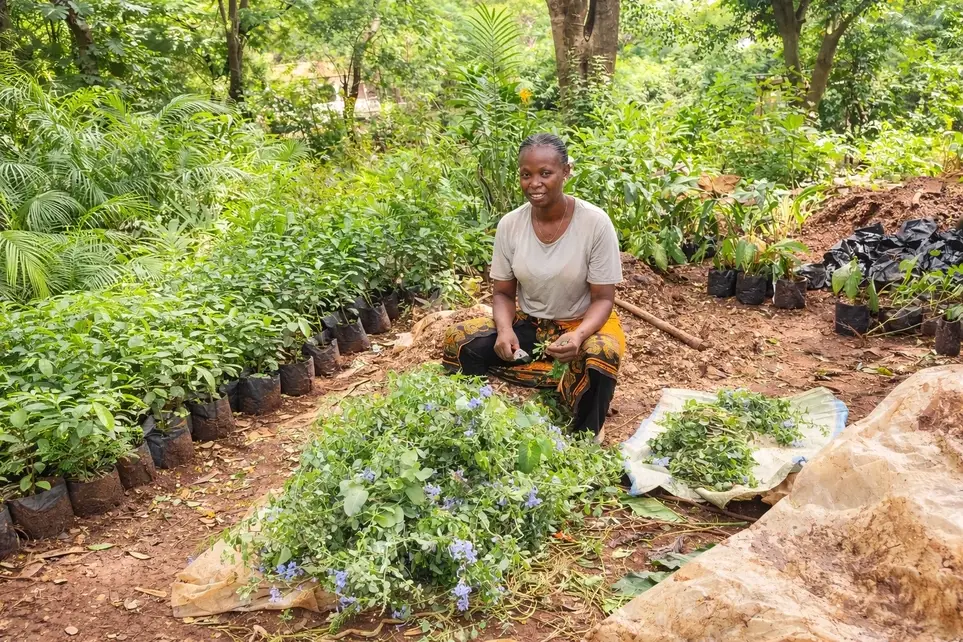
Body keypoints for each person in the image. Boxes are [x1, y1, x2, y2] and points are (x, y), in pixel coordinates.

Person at [443, 133, 625, 439]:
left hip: (582, 324)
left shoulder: (595, 223)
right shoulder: (510, 225)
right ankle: (478, 418)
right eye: (526, 175)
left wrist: (578, 336)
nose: (534, 183)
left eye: (545, 173)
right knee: (459, 340)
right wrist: (504, 330)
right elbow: (502, 292)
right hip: (530, 325)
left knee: (602, 355)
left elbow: (604, 299)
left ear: (566, 172)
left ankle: (585, 437)